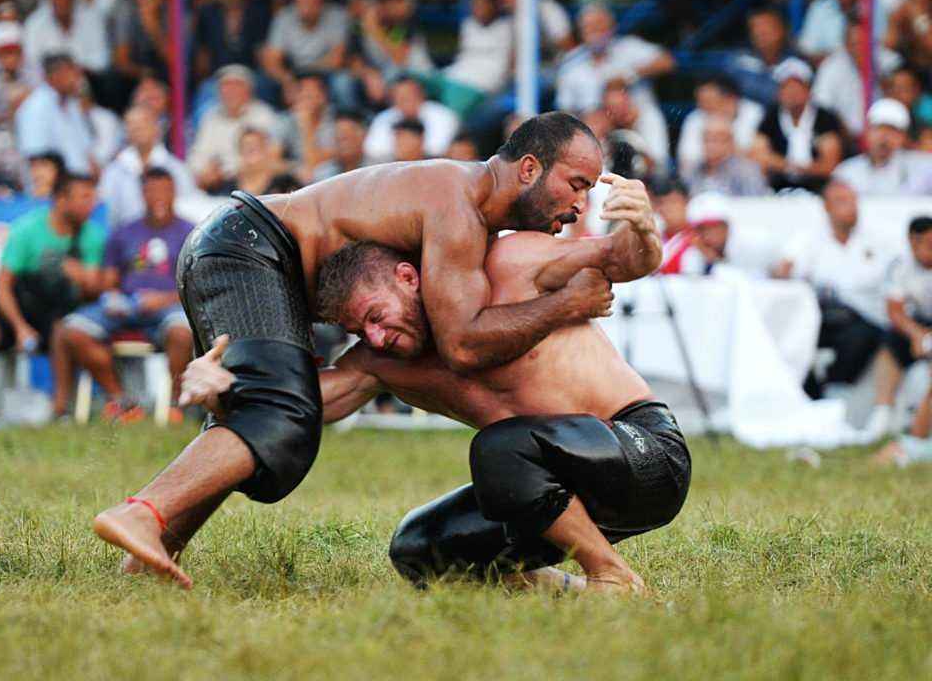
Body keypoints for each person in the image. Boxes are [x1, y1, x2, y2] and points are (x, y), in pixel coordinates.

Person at [90, 111, 662, 588]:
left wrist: (644, 229)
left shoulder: (483, 245)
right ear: (530, 168)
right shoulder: (459, 204)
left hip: (242, 245)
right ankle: (143, 512)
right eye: (577, 186)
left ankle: (152, 553)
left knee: (272, 413)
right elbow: (463, 344)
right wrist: (566, 305)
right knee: (278, 418)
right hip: (247, 243)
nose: (580, 206)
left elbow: (619, 262)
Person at [178, 228, 683, 593]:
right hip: (553, 483)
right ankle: (568, 594)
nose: (374, 337)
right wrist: (225, 392)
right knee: (420, 548)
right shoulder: (381, 362)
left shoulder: (504, 269)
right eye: (359, 331)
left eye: (376, 316)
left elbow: (622, 256)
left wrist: (640, 224)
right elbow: (303, 405)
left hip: (645, 452)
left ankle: (612, 575)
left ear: (408, 277)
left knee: (501, 448)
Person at [0, 172, 105, 419]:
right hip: (20, 307)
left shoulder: (92, 235)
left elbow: (93, 290)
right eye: (83, 197)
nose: (90, 205)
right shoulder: (27, 229)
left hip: (62, 312)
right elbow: (3, 287)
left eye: (92, 198)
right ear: (61, 199)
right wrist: (19, 327)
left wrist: (81, 277)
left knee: (66, 332)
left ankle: (59, 411)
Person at [57, 169, 194, 421]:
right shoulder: (124, 232)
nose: (159, 197)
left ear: (175, 193)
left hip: (170, 305)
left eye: (165, 190)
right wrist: (111, 296)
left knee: (182, 332)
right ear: (142, 194)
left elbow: (197, 286)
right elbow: (110, 280)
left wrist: (162, 299)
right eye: (152, 191)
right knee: (72, 331)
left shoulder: (191, 233)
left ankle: (176, 405)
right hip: (129, 304)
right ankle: (122, 401)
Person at [776, 180, 897, 398]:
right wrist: (783, 272)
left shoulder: (880, 238)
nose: (850, 207)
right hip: (823, 316)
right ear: (826, 207)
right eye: (841, 201)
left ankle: (831, 389)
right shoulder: (809, 238)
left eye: (853, 201)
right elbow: (784, 269)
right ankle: (807, 394)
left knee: (862, 335)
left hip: (868, 318)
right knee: (790, 334)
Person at [867, 216, 932, 438]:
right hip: (916, 324)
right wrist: (918, 335)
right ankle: (882, 412)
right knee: (891, 344)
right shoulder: (900, 266)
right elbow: (894, 310)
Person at [556, 4, 675, 115]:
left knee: (650, 115)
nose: (595, 29)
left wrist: (628, 76)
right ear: (581, 32)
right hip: (592, 125)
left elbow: (667, 62)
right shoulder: (570, 61)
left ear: (612, 27)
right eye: (588, 26)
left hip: (637, 117)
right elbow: (565, 108)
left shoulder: (629, 46)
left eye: (599, 24)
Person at [749, 58, 845, 193]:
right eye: (785, 87)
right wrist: (792, 166)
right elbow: (758, 156)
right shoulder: (770, 117)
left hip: (819, 189)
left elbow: (829, 165)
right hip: (777, 188)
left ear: (808, 90)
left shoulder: (825, 118)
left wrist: (785, 165)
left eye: (796, 86)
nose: (791, 92)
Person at [99, 105, 196, 229]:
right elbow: (107, 214)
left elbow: (189, 208)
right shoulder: (113, 171)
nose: (138, 128)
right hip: (126, 240)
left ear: (157, 128)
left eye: (144, 122)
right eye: (132, 124)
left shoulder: (177, 169)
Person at [187, 64, 278, 193]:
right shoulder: (210, 117)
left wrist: (224, 172)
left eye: (237, 86)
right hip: (214, 184)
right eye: (226, 86)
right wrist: (203, 171)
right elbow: (198, 154)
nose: (231, 91)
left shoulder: (263, 115)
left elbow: (267, 156)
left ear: (249, 90)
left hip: (254, 185)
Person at [259, 0, 348, 100]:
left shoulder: (336, 15)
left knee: (343, 81)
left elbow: (336, 59)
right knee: (263, 82)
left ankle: (345, 117)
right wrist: (287, 80)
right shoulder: (284, 17)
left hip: (325, 72)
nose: (306, 5)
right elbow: (271, 60)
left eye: (311, 0)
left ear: (321, 1)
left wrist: (307, 80)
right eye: (301, 0)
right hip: (292, 72)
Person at [812, 20, 903, 138]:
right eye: (854, 43)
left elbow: (903, 93)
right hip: (847, 138)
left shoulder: (888, 60)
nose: (860, 48)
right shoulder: (831, 66)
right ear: (845, 45)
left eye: (863, 42)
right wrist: (845, 133)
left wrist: (879, 75)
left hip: (886, 134)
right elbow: (822, 107)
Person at [15, 52, 94, 174]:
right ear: (56, 75)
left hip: (81, 181)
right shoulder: (35, 107)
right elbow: (37, 159)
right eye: (74, 73)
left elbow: (87, 151)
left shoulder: (72, 104)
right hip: (55, 186)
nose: (79, 79)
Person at [834, 98, 932, 194]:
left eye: (892, 131)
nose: (884, 137)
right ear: (867, 132)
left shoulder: (923, 167)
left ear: (904, 137)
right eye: (879, 129)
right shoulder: (846, 172)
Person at [22, 0, 110, 76]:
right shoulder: (34, 23)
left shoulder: (92, 18)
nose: (62, 0)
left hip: (86, 78)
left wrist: (75, 70)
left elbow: (102, 60)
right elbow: (31, 63)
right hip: (48, 81)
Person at [193, 0, 270, 82]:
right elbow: (202, 56)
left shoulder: (258, 11)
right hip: (217, 76)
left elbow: (262, 53)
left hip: (251, 75)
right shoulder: (207, 13)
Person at [676, 75, 764, 175]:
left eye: (709, 101)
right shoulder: (695, 118)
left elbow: (761, 157)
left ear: (731, 99)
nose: (702, 107)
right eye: (700, 102)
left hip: (747, 178)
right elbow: (687, 161)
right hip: (708, 178)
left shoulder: (756, 113)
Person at [364, 75, 459, 162]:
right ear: (392, 100)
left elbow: (437, 149)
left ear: (422, 95)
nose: (406, 101)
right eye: (400, 97)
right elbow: (373, 150)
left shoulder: (442, 115)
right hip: (393, 166)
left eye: (410, 95)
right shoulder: (384, 118)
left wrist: (406, 149)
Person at [681, 115, 768, 196]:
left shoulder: (747, 171)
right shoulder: (691, 170)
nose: (710, 145)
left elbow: (755, 205)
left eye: (716, 139)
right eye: (706, 139)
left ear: (730, 143)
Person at [312, 109, 366, 181]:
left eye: (349, 135)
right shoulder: (324, 174)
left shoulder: (378, 167)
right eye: (340, 137)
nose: (344, 142)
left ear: (364, 135)